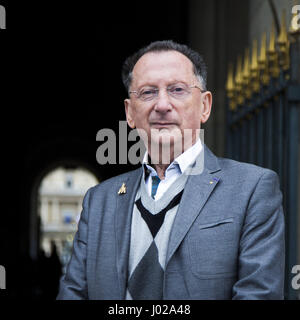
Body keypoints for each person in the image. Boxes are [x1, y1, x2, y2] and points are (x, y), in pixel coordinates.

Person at [57, 40, 285, 300]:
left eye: (177, 89)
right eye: (148, 92)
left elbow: (258, 294)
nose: (162, 105)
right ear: (130, 113)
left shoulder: (252, 189)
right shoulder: (98, 201)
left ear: (205, 106)